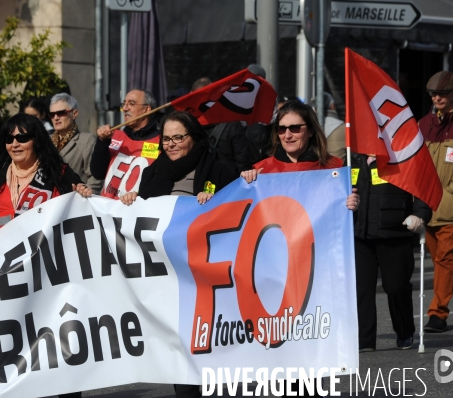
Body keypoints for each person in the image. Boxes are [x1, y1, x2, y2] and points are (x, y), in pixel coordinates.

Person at [240, 100, 358, 397]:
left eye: (295, 127)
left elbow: (339, 222)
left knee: (311, 352)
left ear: (310, 130)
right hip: (274, 276)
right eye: (281, 129)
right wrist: (242, 184)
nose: (288, 134)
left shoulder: (333, 168)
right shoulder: (260, 171)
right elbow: (236, 213)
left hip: (316, 274)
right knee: (281, 357)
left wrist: (350, 204)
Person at [121, 111, 237, 398]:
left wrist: (217, 202)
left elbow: (240, 209)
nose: (171, 144)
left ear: (194, 138)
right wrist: (131, 201)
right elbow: (142, 218)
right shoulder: (152, 173)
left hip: (204, 274)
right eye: (166, 139)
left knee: (202, 343)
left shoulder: (217, 170)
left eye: (178, 137)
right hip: (165, 273)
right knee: (180, 348)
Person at [352, 153, 432, 352]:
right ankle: (365, 340)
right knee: (361, 290)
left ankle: (405, 332)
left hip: (394, 233)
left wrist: (420, 214)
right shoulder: (351, 158)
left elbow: (422, 185)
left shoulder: (401, 156)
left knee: (396, 287)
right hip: (359, 235)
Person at [0, 113, 92, 238]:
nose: (15, 144)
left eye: (22, 138)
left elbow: (79, 210)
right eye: (9, 139)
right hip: (1, 253)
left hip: (43, 253)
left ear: (37, 140)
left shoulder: (59, 173)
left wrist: (82, 194)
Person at [419, 70, 453, 332]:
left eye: (443, 93)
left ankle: (437, 314)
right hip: (428, 207)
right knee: (444, 262)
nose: (437, 97)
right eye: (434, 93)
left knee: (445, 260)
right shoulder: (424, 124)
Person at [90, 88, 160, 199]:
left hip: (136, 211)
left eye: (131, 104)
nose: (125, 108)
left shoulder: (161, 142)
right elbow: (97, 173)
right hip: (108, 210)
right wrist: (102, 142)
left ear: (146, 109)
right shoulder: (114, 136)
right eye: (124, 104)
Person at [190, 77, 252, 173]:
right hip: (228, 183)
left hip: (198, 183)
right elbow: (243, 161)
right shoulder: (232, 122)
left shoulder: (188, 125)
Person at [49, 93, 102, 192]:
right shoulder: (47, 141)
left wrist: (85, 193)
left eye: (61, 113)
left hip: (75, 201)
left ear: (74, 114)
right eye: (52, 114)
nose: (56, 118)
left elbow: (95, 178)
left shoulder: (86, 141)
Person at [315, 92, 346, 162]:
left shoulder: (309, 127)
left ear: (316, 109)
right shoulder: (343, 128)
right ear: (332, 106)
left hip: (313, 171)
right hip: (338, 171)